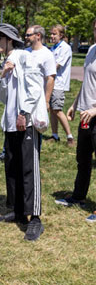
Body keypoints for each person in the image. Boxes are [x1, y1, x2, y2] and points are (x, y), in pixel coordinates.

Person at [0, 23, 45, 241]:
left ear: (9, 39)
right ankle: (18, 211)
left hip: (26, 121)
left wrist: (24, 112)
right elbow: (3, 97)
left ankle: (35, 218)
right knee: (13, 167)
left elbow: (35, 87)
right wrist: (3, 75)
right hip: (11, 123)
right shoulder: (9, 62)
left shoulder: (23, 56)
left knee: (29, 169)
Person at [55, 19, 96, 223]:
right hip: (85, 115)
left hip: (94, 114)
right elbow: (87, 82)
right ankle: (79, 196)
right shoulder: (92, 50)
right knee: (83, 159)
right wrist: (74, 103)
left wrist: (95, 109)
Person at [47, 24, 74, 146]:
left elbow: (56, 66)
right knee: (52, 110)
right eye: (51, 34)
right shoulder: (52, 48)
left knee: (57, 109)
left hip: (58, 84)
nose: (52, 36)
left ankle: (70, 137)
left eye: (54, 34)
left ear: (61, 35)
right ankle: (55, 135)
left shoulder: (65, 48)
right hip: (51, 83)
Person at [25, 25, 56, 109]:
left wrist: (46, 101)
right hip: (24, 98)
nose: (26, 37)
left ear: (38, 35)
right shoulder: (25, 52)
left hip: (39, 100)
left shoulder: (47, 54)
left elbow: (51, 78)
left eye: (28, 35)